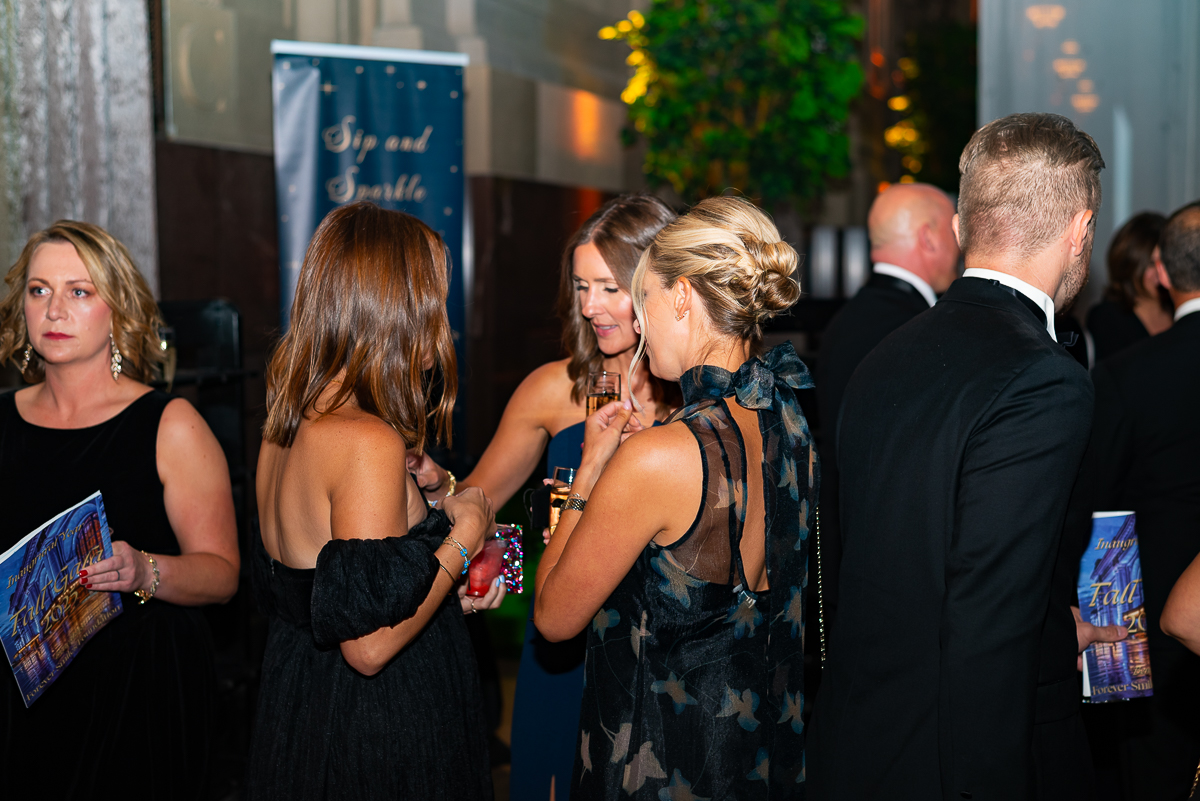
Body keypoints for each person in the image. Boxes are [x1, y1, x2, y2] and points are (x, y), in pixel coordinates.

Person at [808, 113, 1122, 800]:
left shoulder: (882, 353)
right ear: (1080, 232)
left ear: (959, 227)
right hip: (961, 760)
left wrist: (1050, 628)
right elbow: (988, 624)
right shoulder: (1043, 379)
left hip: (861, 740)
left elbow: (908, 560)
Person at [534, 196, 814, 798]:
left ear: (682, 297)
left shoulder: (658, 456)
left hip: (657, 766)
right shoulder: (790, 420)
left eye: (644, 301)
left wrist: (590, 471)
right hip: (755, 762)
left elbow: (553, 618)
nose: (638, 325)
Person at [410, 194, 678, 801]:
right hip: (562, 643)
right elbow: (479, 499)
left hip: (656, 643)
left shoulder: (692, 399)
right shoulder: (553, 389)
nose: (589, 306)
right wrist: (442, 489)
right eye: (581, 287)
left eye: (609, 288)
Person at [246, 202, 504, 800]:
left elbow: (325, 597)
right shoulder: (364, 439)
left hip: (303, 704)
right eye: (434, 301)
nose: (441, 321)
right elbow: (368, 646)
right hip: (375, 727)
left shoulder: (287, 420)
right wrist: (464, 534)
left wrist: (442, 592)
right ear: (397, 309)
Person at [0, 221, 240, 799]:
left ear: (117, 310)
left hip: (138, 694)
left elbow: (223, 575)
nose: (54, 310)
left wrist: (144, 571)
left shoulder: (170, 424)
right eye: (39, 290)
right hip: (22, 696)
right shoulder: (2, 420)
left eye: (79, 291)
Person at [1072, 204, 1200, 799]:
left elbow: (1097, 509)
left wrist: (1109, 656)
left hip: (1146, 633)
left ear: (1162, 273)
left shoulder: (1125, 375)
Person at [816, 181, 959, 629]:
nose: (962, 244)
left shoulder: (849, 320)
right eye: (955, 229)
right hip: (897, 582)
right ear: (929, 237)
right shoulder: (921, 330)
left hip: (850, 565)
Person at [1086, 211, 1171, 361]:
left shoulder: (1179, 309)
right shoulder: (1107, 318)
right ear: (1129, 265)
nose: (1161, 272)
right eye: (1151, 263)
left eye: (1165, 262)